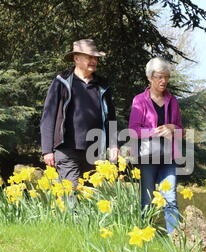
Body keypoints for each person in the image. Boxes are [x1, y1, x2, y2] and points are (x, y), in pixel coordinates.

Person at [40, 39, 119, 186]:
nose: (94, 61)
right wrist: (47, 150)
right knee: (70, 197)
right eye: (90, 57)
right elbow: (48, 116)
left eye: (95, 58)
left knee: (91, 200)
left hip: (95, 151)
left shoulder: (103, 86)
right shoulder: (61, 82)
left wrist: (114, 144)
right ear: (76, 58)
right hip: (66, 150)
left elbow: (111, 118)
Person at [128, 57, 183, 233]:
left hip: (168, 157)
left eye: (166, 77)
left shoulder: (173, 101)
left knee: (171, 199)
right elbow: (133, 130)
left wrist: (172, 128)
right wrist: (156, 131)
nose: (164, 81)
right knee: (147, 199)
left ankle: (175, 241)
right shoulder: (139, 100)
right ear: (150, 77)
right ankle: (145, 236)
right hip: (147, 157)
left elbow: (181, 129)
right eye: (159, 77)